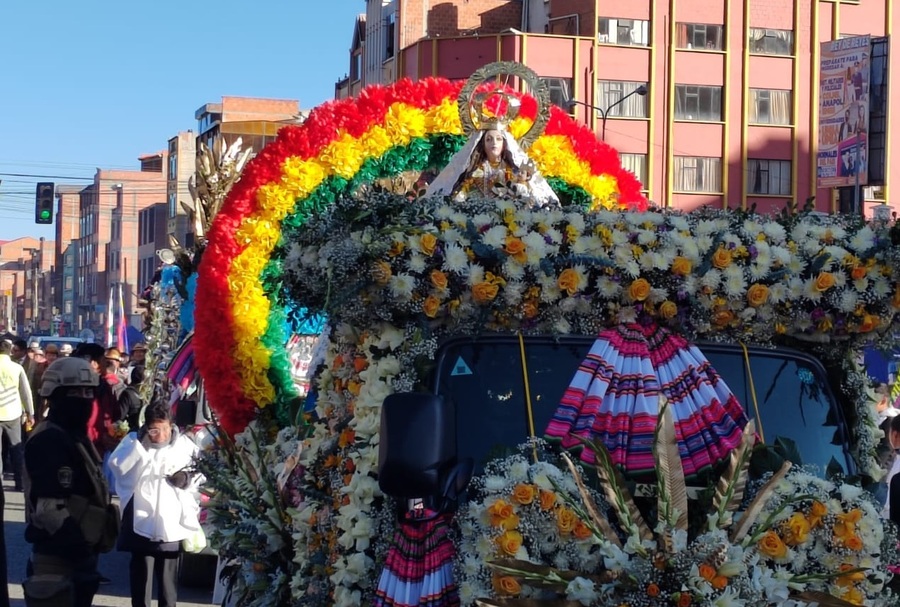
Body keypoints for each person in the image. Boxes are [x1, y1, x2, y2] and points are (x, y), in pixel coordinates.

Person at [23, 356, 118, 607]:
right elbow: (48, 508)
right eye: (76, 392)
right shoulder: (49, 439)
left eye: (89, 392)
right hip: (56, 557)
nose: (85, 398)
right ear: (56, 395)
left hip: (79, 556)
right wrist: (76, 545)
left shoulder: (74, 434)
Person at [109, 402, 202, 607]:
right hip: (141, 516)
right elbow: (117, 467)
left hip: (169, 520)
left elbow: (201, 470)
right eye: (154, 430)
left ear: (172, 425)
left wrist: (186, 478)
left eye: (165, 429)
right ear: (146, 427)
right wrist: (140, 448)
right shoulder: (133, 442)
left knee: (168, 577)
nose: (160, 435)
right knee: (141, 572)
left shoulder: (184, 445)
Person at [0, 340, 34, 491]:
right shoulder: (17, 368)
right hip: (13, 412)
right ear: (10, 351)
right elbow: (26, 393)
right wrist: (30, 412)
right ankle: (19, 483)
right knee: (16, 448)